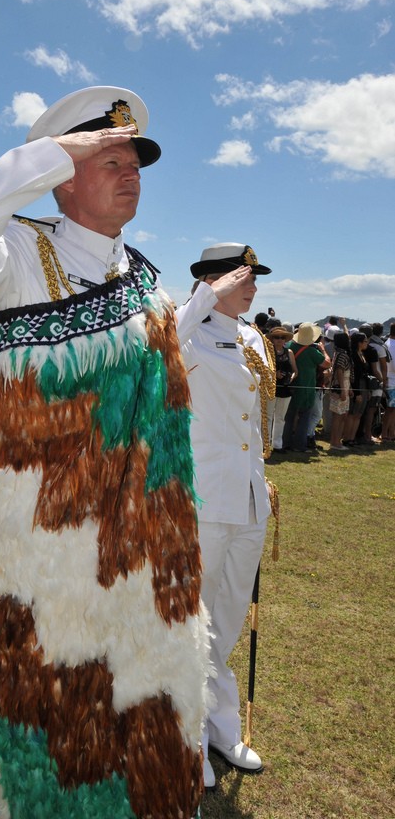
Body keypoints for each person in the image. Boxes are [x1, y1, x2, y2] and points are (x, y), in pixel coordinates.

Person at [0, 86, 210, 819]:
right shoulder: (17, 251)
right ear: (61, 173)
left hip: (142, 546)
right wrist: (54, 152)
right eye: (106, 157)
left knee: (146, 710)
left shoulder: (142, 276)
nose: (129, 172)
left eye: (135, 161)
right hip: (46, 553)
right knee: (60, 714)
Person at [175, 243, 275, 790]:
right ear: (214, 282)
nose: (255, 287)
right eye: (245, 278)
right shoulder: (181, 328)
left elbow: (252, 419)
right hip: (202, 499)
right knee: (191, 620)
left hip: (248, 498)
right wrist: (203, 297)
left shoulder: (254, 337)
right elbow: (154, 342)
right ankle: (181, 737)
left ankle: (219, 728)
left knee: (226, 623)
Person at [282, 324, 330, 452]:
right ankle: (299, 445)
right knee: (304, 417)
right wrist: (323, 350)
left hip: (290, 386)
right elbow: (326, 363)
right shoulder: (311, 351)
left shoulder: (289, 346)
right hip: (306, 386)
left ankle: (285, 443)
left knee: (289, 417)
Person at [267, 325, 297, 451]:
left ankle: (277, 445)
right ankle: (265, 444)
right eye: (277, 337)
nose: (279, 340)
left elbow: (295, 370)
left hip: (285, 388)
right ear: (272, 339)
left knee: (280, 417)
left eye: (282, 337)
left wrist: (291, 377)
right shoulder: (268, 352)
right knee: (268, 416)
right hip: (271, 387)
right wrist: (274, 375)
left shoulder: (289, 352)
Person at [328, 332, 353, 451]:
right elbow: (339, 372)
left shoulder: (338, 353)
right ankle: (335, 442)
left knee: (341, 415)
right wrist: (344, 390)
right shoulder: (342, 355)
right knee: (339, 415)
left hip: (343, 385)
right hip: (341, 386)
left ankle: (336, 441)